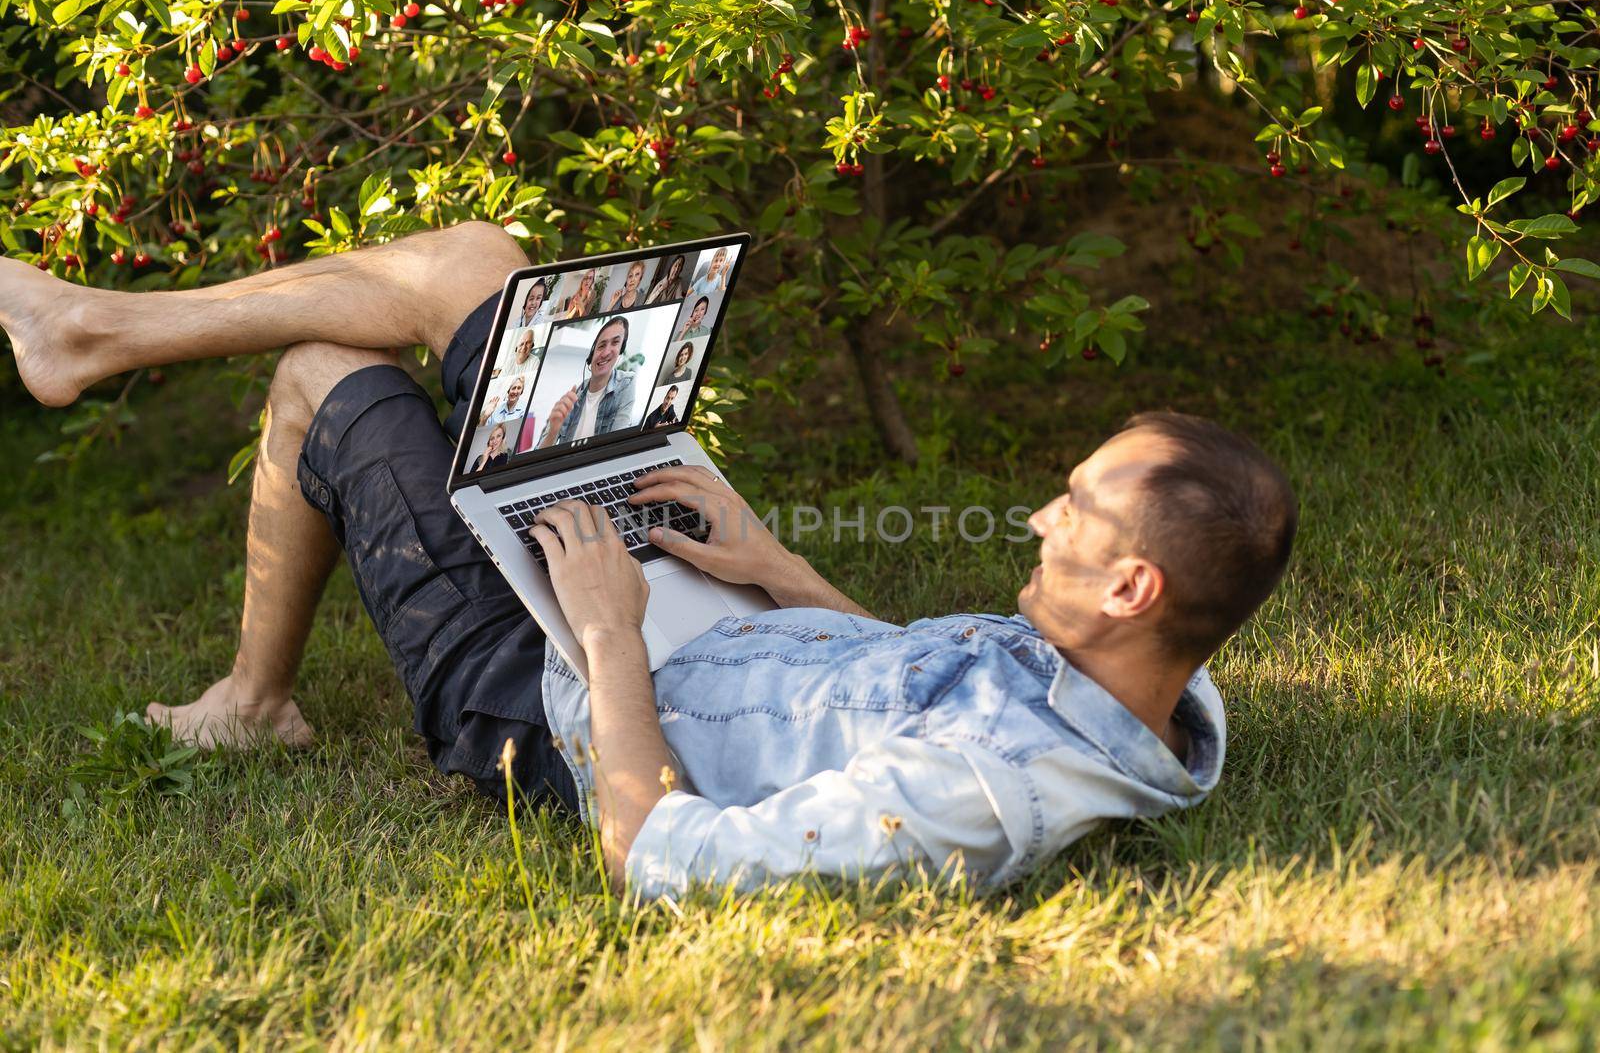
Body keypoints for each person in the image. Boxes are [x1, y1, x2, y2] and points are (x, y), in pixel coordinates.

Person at [1, 222, 1296, 903]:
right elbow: (908, 668)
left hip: (556, 694)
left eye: (1073, 511)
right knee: (476, 266)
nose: (1038, 519)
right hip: (708, 606)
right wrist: (771, 559)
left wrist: (609, 626)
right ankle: (90, 331)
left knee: (323, 379)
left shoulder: (983, 799)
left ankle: (252, 697)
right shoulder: (1127, 676)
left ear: (1135, 586)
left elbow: (665, 856)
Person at [538, 317, 636, 447]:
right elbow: (539, 453)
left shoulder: (626, 383)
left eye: (615, 343)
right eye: (601, 345)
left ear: (621, 350)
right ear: (592, 354)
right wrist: (552, 432)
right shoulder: (573, 397)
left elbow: (618, 446)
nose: (606, 352)